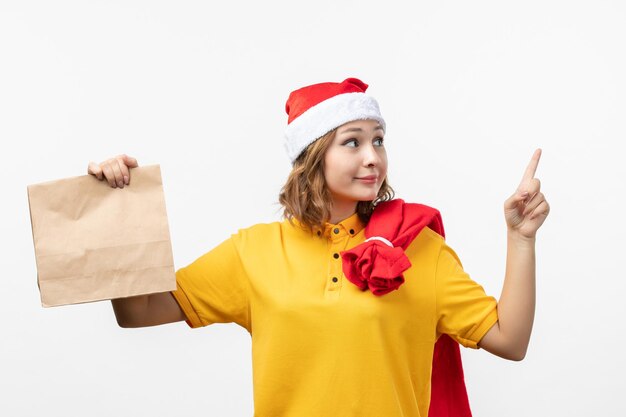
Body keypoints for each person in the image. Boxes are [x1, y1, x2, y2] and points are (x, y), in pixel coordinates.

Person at [87, 77, 550, 417]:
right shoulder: (255, 253)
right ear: (312, 157)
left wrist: (520, 238)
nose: (373, 157)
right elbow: (137, 312)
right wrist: (118, 212)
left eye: (379, 141)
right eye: (352, 142)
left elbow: (510, 340)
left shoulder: (419, 249)